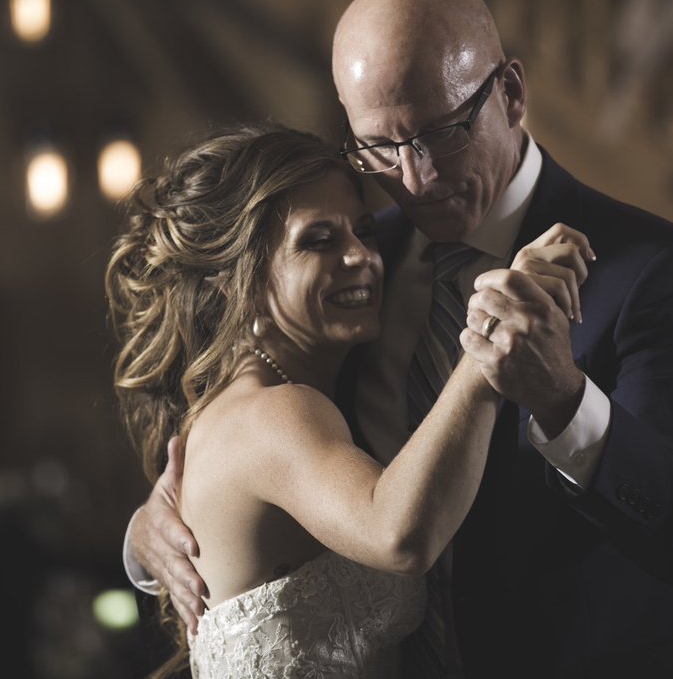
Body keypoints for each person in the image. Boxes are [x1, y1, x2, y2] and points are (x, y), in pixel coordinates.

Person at [126, 0, 673, 678]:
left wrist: (564, 399)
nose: (415, 178)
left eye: (441, 134)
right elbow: (269, 461)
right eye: (379, 147)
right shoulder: (357, 273)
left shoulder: (653, 268)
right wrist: (154, 530)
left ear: (511, 94)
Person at [107, 125, 591, 677]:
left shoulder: (275, 393)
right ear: (233, 284)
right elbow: (399, 535)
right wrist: (490, 336)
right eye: (319, 240)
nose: (362, 256)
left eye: (364, 231)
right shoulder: (275, 410)